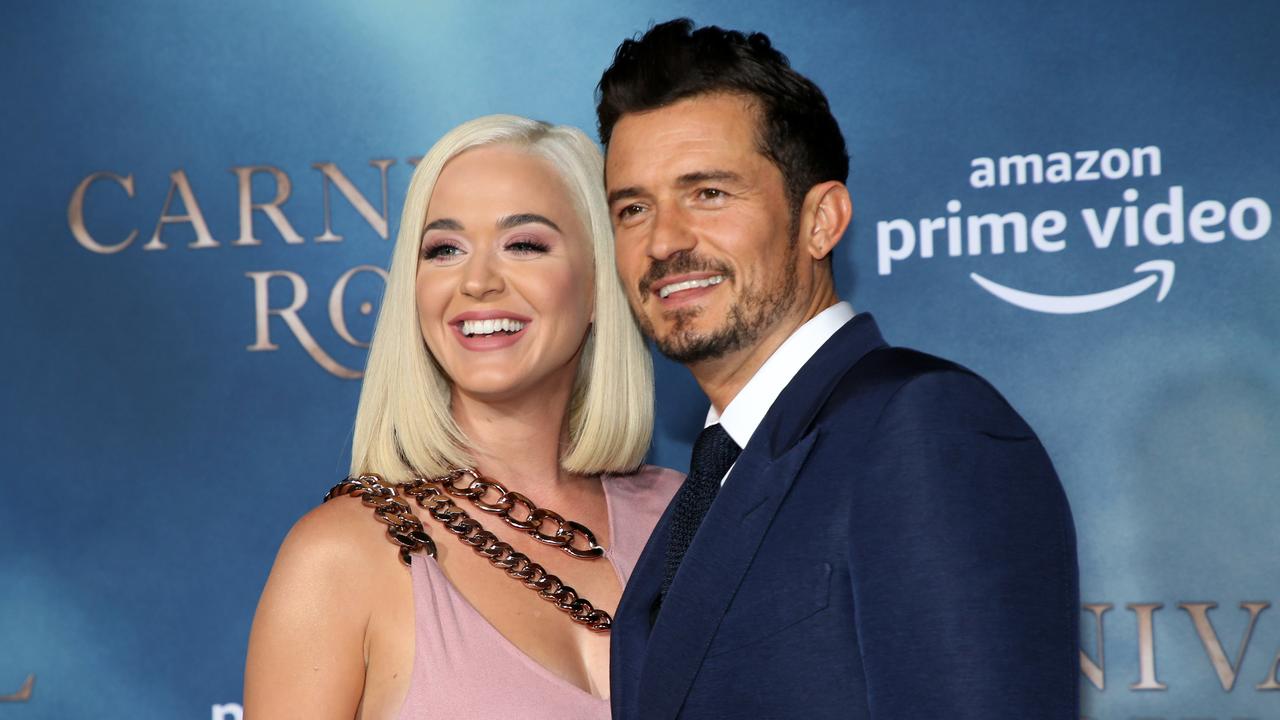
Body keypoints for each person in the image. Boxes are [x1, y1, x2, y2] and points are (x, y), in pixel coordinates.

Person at [597, 19, 1080, 719]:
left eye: (709, 194)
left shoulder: (926, 429)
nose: (664, 240)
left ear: (821, 220)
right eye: (634, 208)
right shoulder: (708, 481)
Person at [244, 115, 682, 719]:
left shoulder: (689, 518)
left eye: (524, 244)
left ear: (600, 282)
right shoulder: (340, 557)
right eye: (444, 249)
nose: (477, 281)